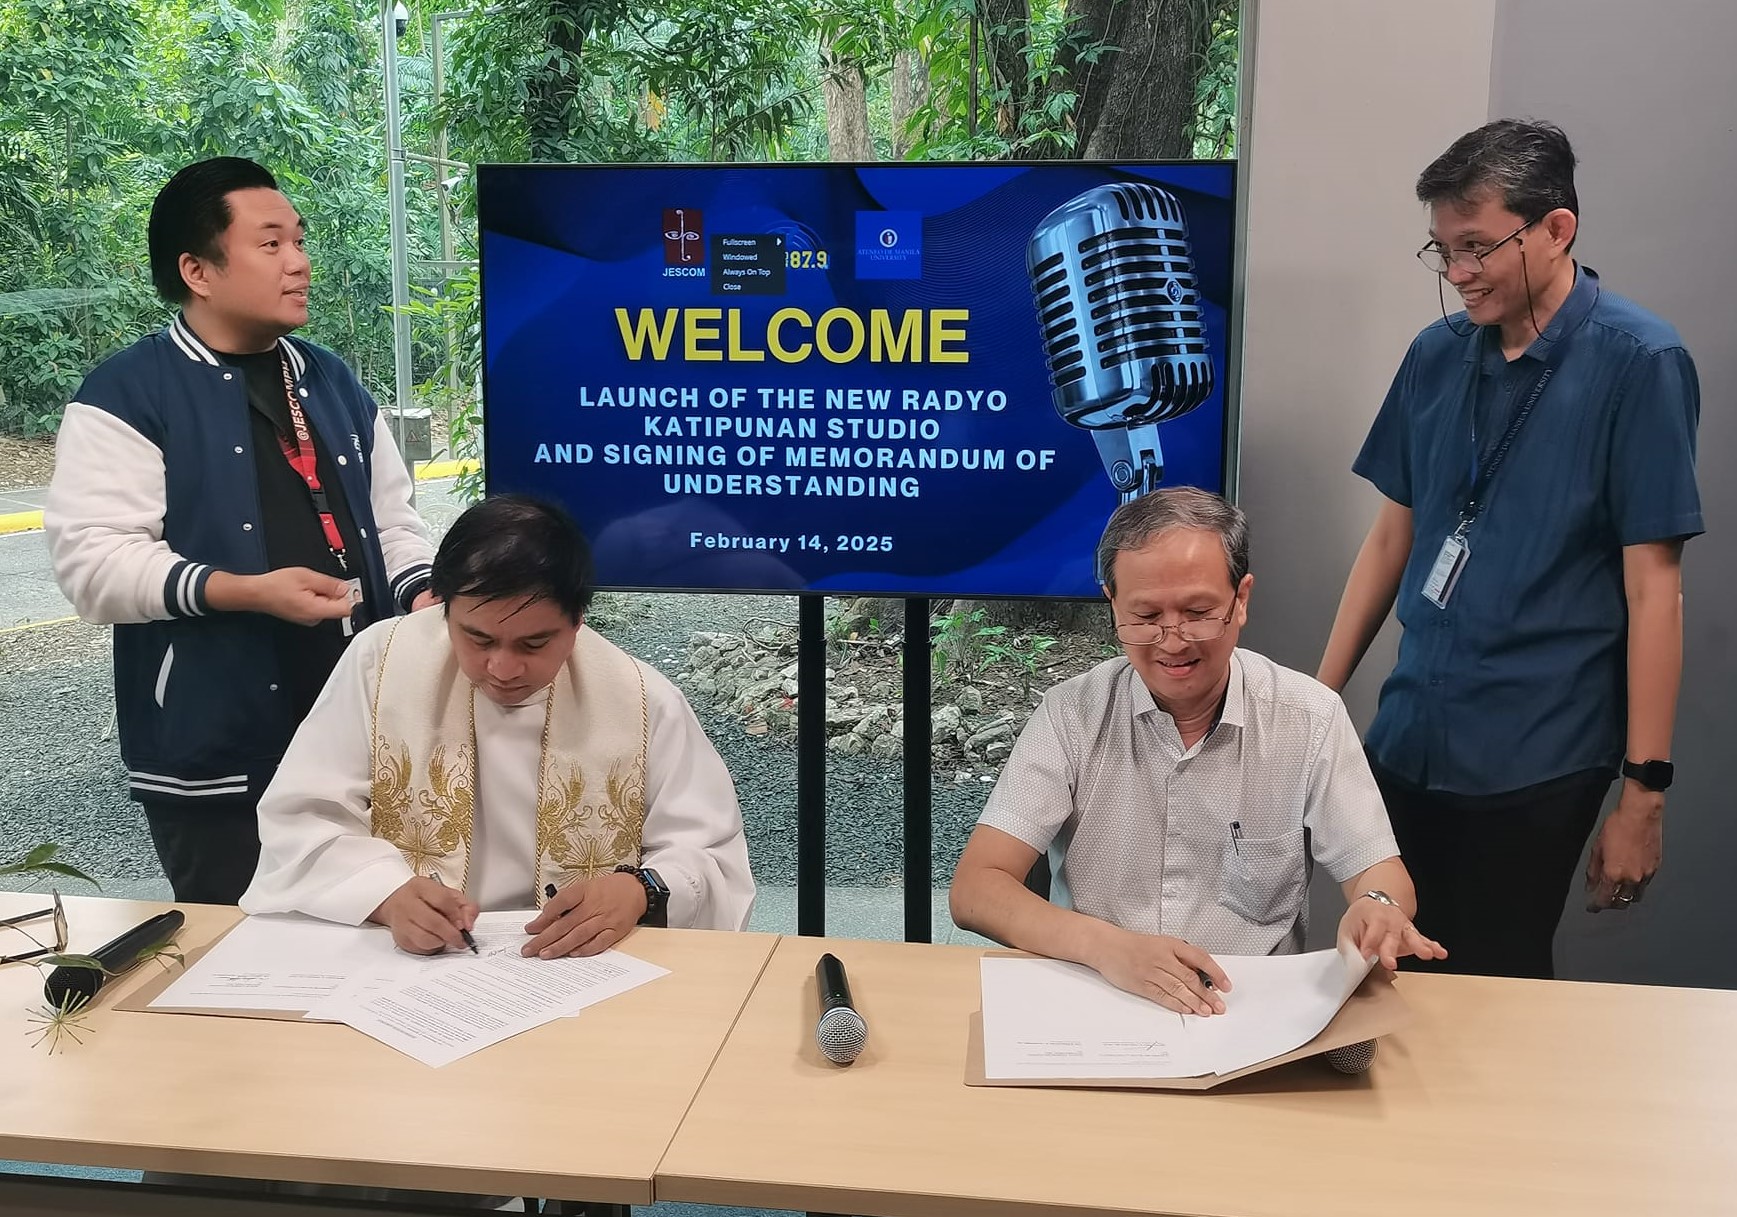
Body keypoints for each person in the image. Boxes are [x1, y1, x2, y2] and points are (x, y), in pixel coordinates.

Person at [1317, 120, 1702, 980]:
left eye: (1477, 246)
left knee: (1490, 983)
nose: (1456, 274)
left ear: (1555, 229)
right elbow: (1392, 537)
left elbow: (1654, 594)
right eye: (1441, 249)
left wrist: (1642, 792)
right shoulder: (1434, 355)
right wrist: (1317, 701)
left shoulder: (1640, 362)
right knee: (1380, 974)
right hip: (1407, 736)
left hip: (1537, 755)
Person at [45, 157, 436, 905]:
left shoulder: (329, 378)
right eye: (271, 244)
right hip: (216, 751)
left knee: (384, 933)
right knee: (241, 959)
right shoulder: (128, 392)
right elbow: (92, 566)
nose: (299, 262)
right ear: (197, 268)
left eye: (299, 240)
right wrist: (247, 591)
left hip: (362, 733)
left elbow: (394, 518)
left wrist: (418, 590)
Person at [951, 489, 1444, 1016]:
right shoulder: (1072, 714)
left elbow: (1380, 872)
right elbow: (977, 888)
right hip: (1100, 996)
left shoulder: (1309, 717)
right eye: (1144, 616)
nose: (1173, 640)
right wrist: (1107, 947)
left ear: (1242, 599)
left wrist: (1378, 906)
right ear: (1112, 603)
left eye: (1198, 612)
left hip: (1250, 1011)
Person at [241, 494, 755, 954]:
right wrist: (383, 893)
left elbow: (710, 855)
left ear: (578, 622)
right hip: (409, 965)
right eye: (479, 639)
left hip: (578, 965)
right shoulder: (380, 662)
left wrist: (640, 890)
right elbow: (303, 818)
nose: (504, 669)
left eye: (534, 644)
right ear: (443, 609)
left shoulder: (642, 700)